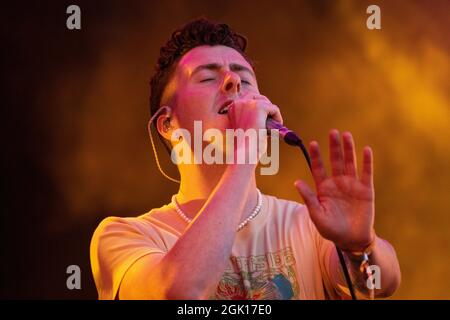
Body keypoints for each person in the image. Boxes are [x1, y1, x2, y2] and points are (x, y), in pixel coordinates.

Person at [90, 18, 401, 300]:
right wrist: (246, 150)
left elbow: (381, 283)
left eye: (243, 77)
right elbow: (178, 292)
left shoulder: (307, 225)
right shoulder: (125, 235)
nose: (232, 82)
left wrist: (360, 248)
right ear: (168, 124)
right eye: (207, 78)